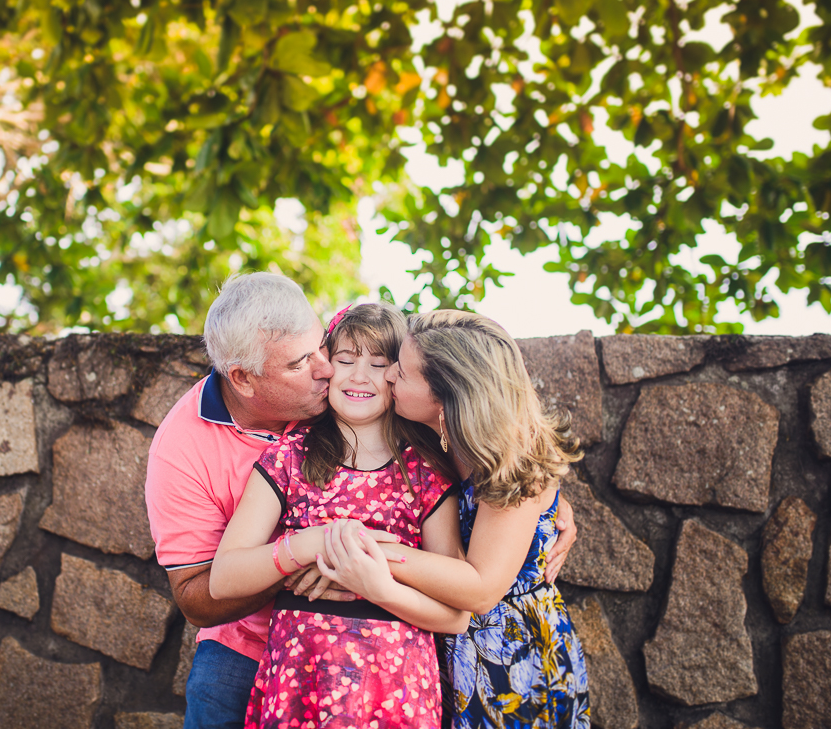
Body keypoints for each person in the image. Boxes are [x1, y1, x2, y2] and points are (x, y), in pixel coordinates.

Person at [144, 273, 578, 729]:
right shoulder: (225, 451)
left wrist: (547, 505)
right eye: (305, 363)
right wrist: (318, 548)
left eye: (321, 351)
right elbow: (204, 590)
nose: (328, 370)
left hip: (402, 679)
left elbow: (469, 369)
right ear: (244, 379)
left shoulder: (425, 461)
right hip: (262, 654)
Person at [209, 302, 473, 729]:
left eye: (379, 363)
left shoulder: (426, 473)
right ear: (326, 366)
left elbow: (456, 614)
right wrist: (313, 543)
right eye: (346, 360)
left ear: (398, 378)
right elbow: (223, 578)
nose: (359, 376)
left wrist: (374, 580)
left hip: (396, 687)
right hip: (301, 677)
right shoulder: (288, 458)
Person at [380, 310, 590, 727]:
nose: (387, 375)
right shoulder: (443, 438)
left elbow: (481, 590)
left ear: (448, 395)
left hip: (514, 663)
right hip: (456, 650)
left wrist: (371, 551)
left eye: (402, 372)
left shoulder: (511, 457)